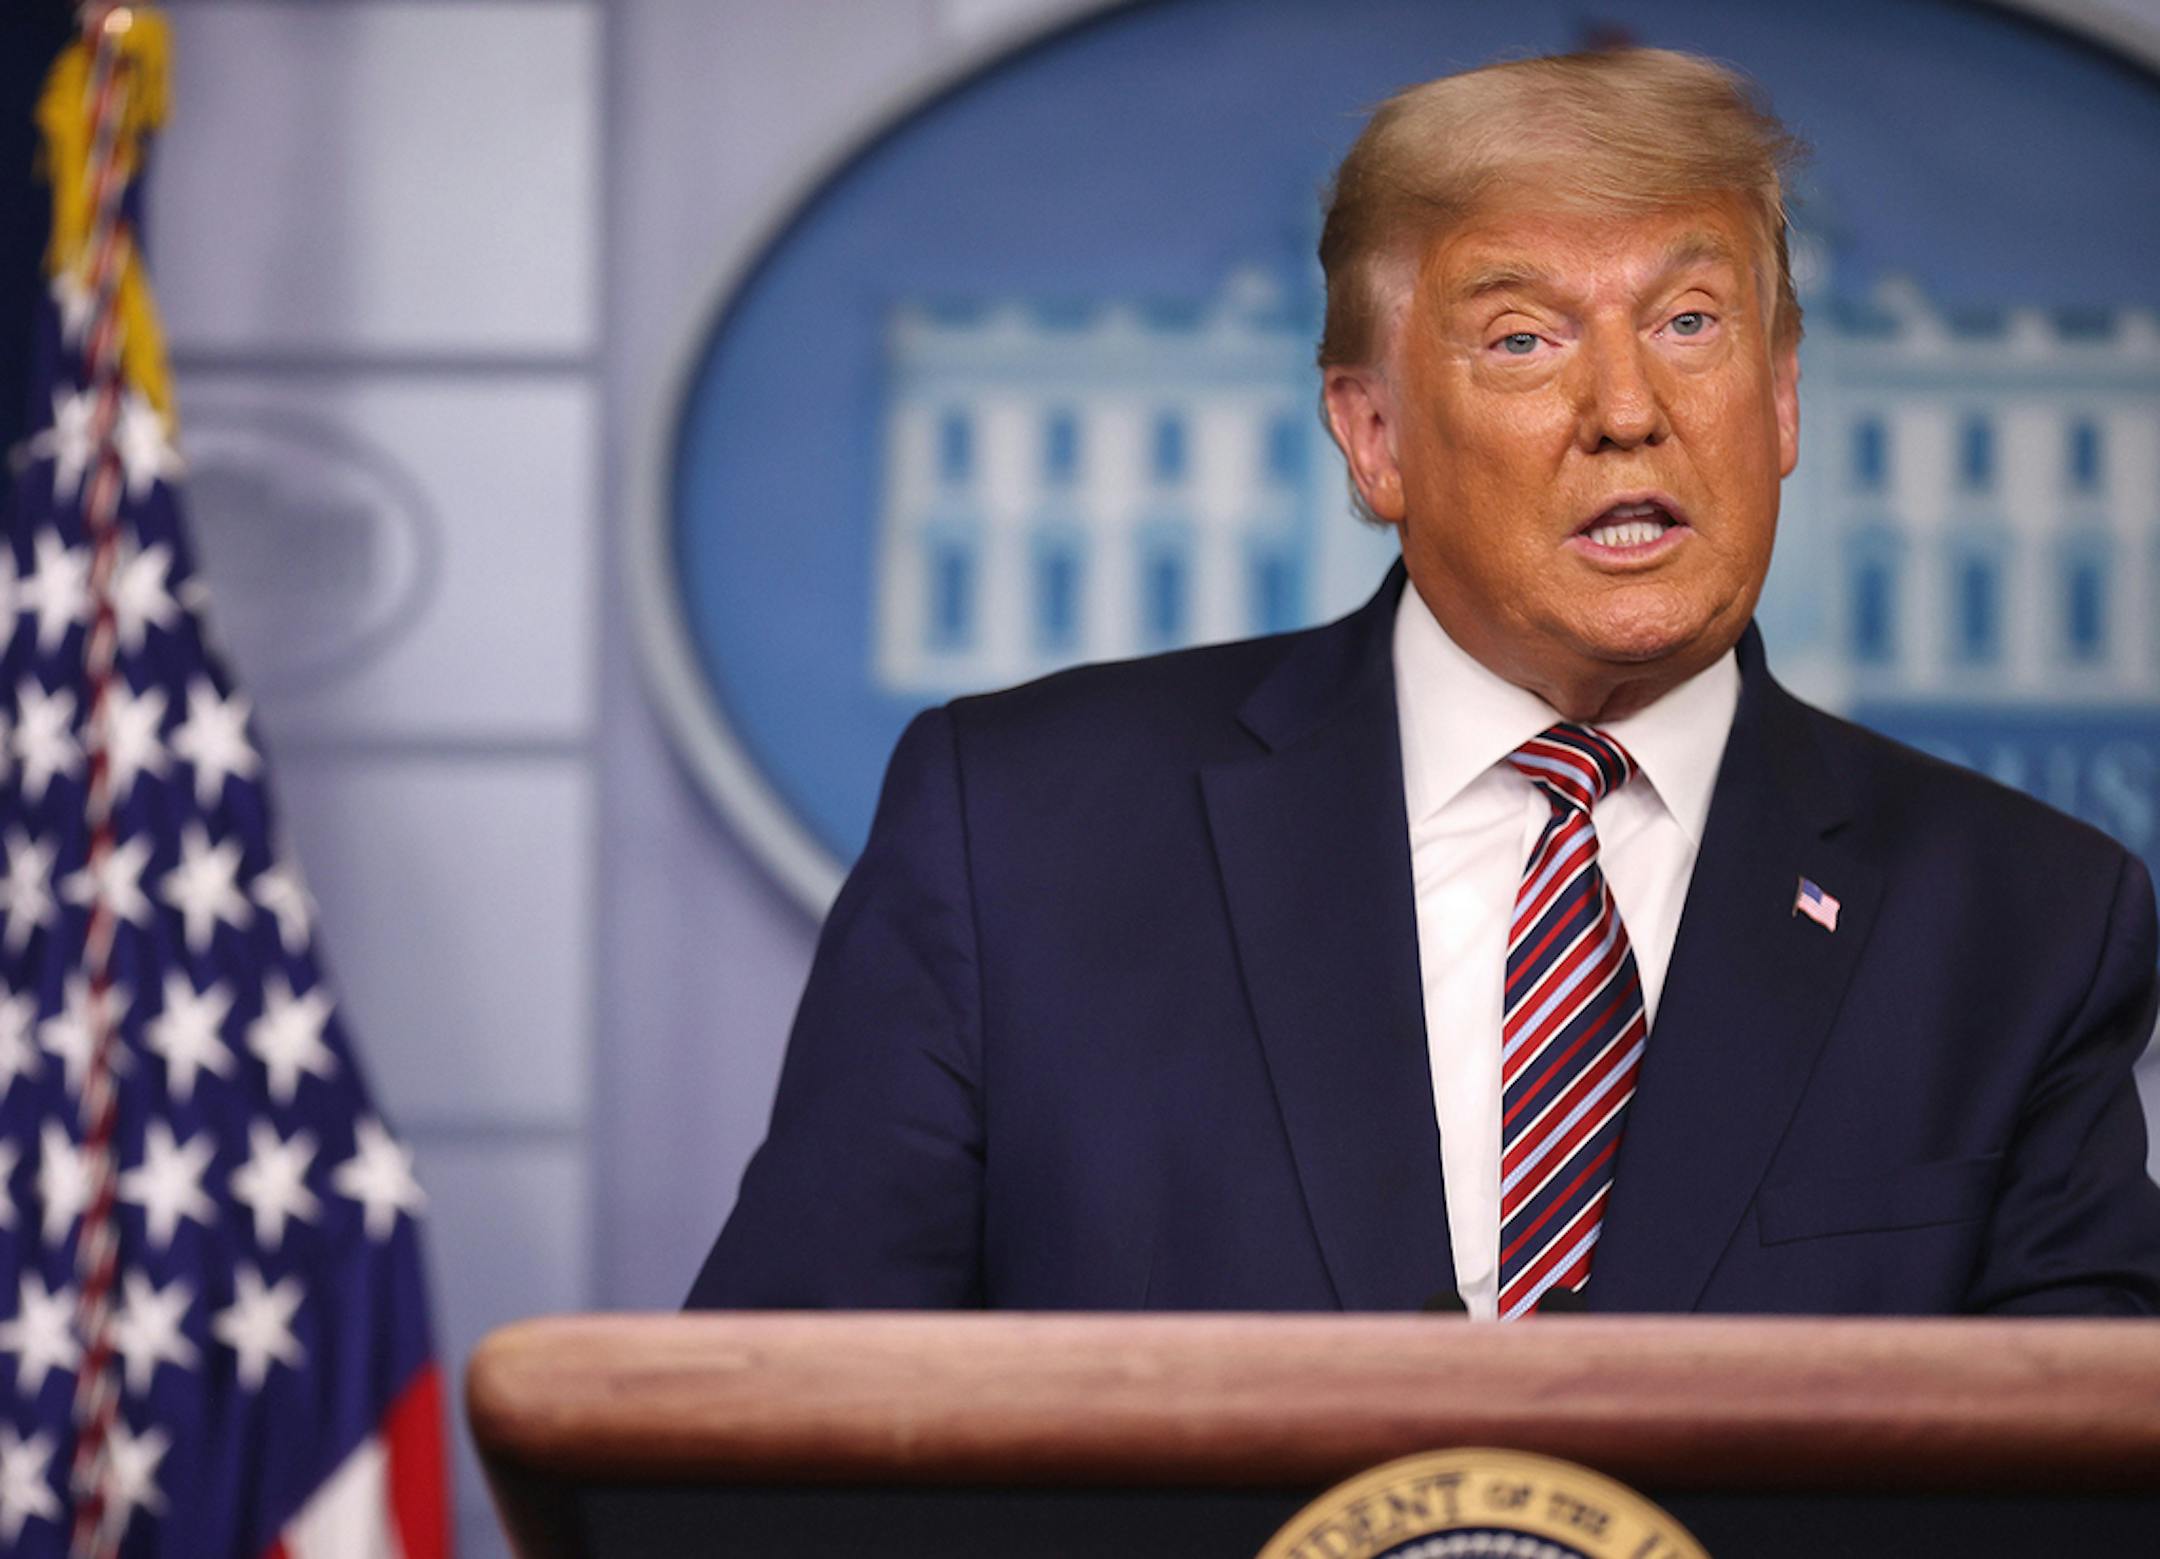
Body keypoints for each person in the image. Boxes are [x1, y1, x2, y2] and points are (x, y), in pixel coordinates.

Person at [687, 47, 2160, 1317]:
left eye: (1691, 323)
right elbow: (771, 1433)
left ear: (1780, 401)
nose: (1629, 410)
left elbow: (2083, 1477)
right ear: (1373, 436)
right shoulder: (1016, 835)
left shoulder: (2021, 921)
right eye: (1523, 338)